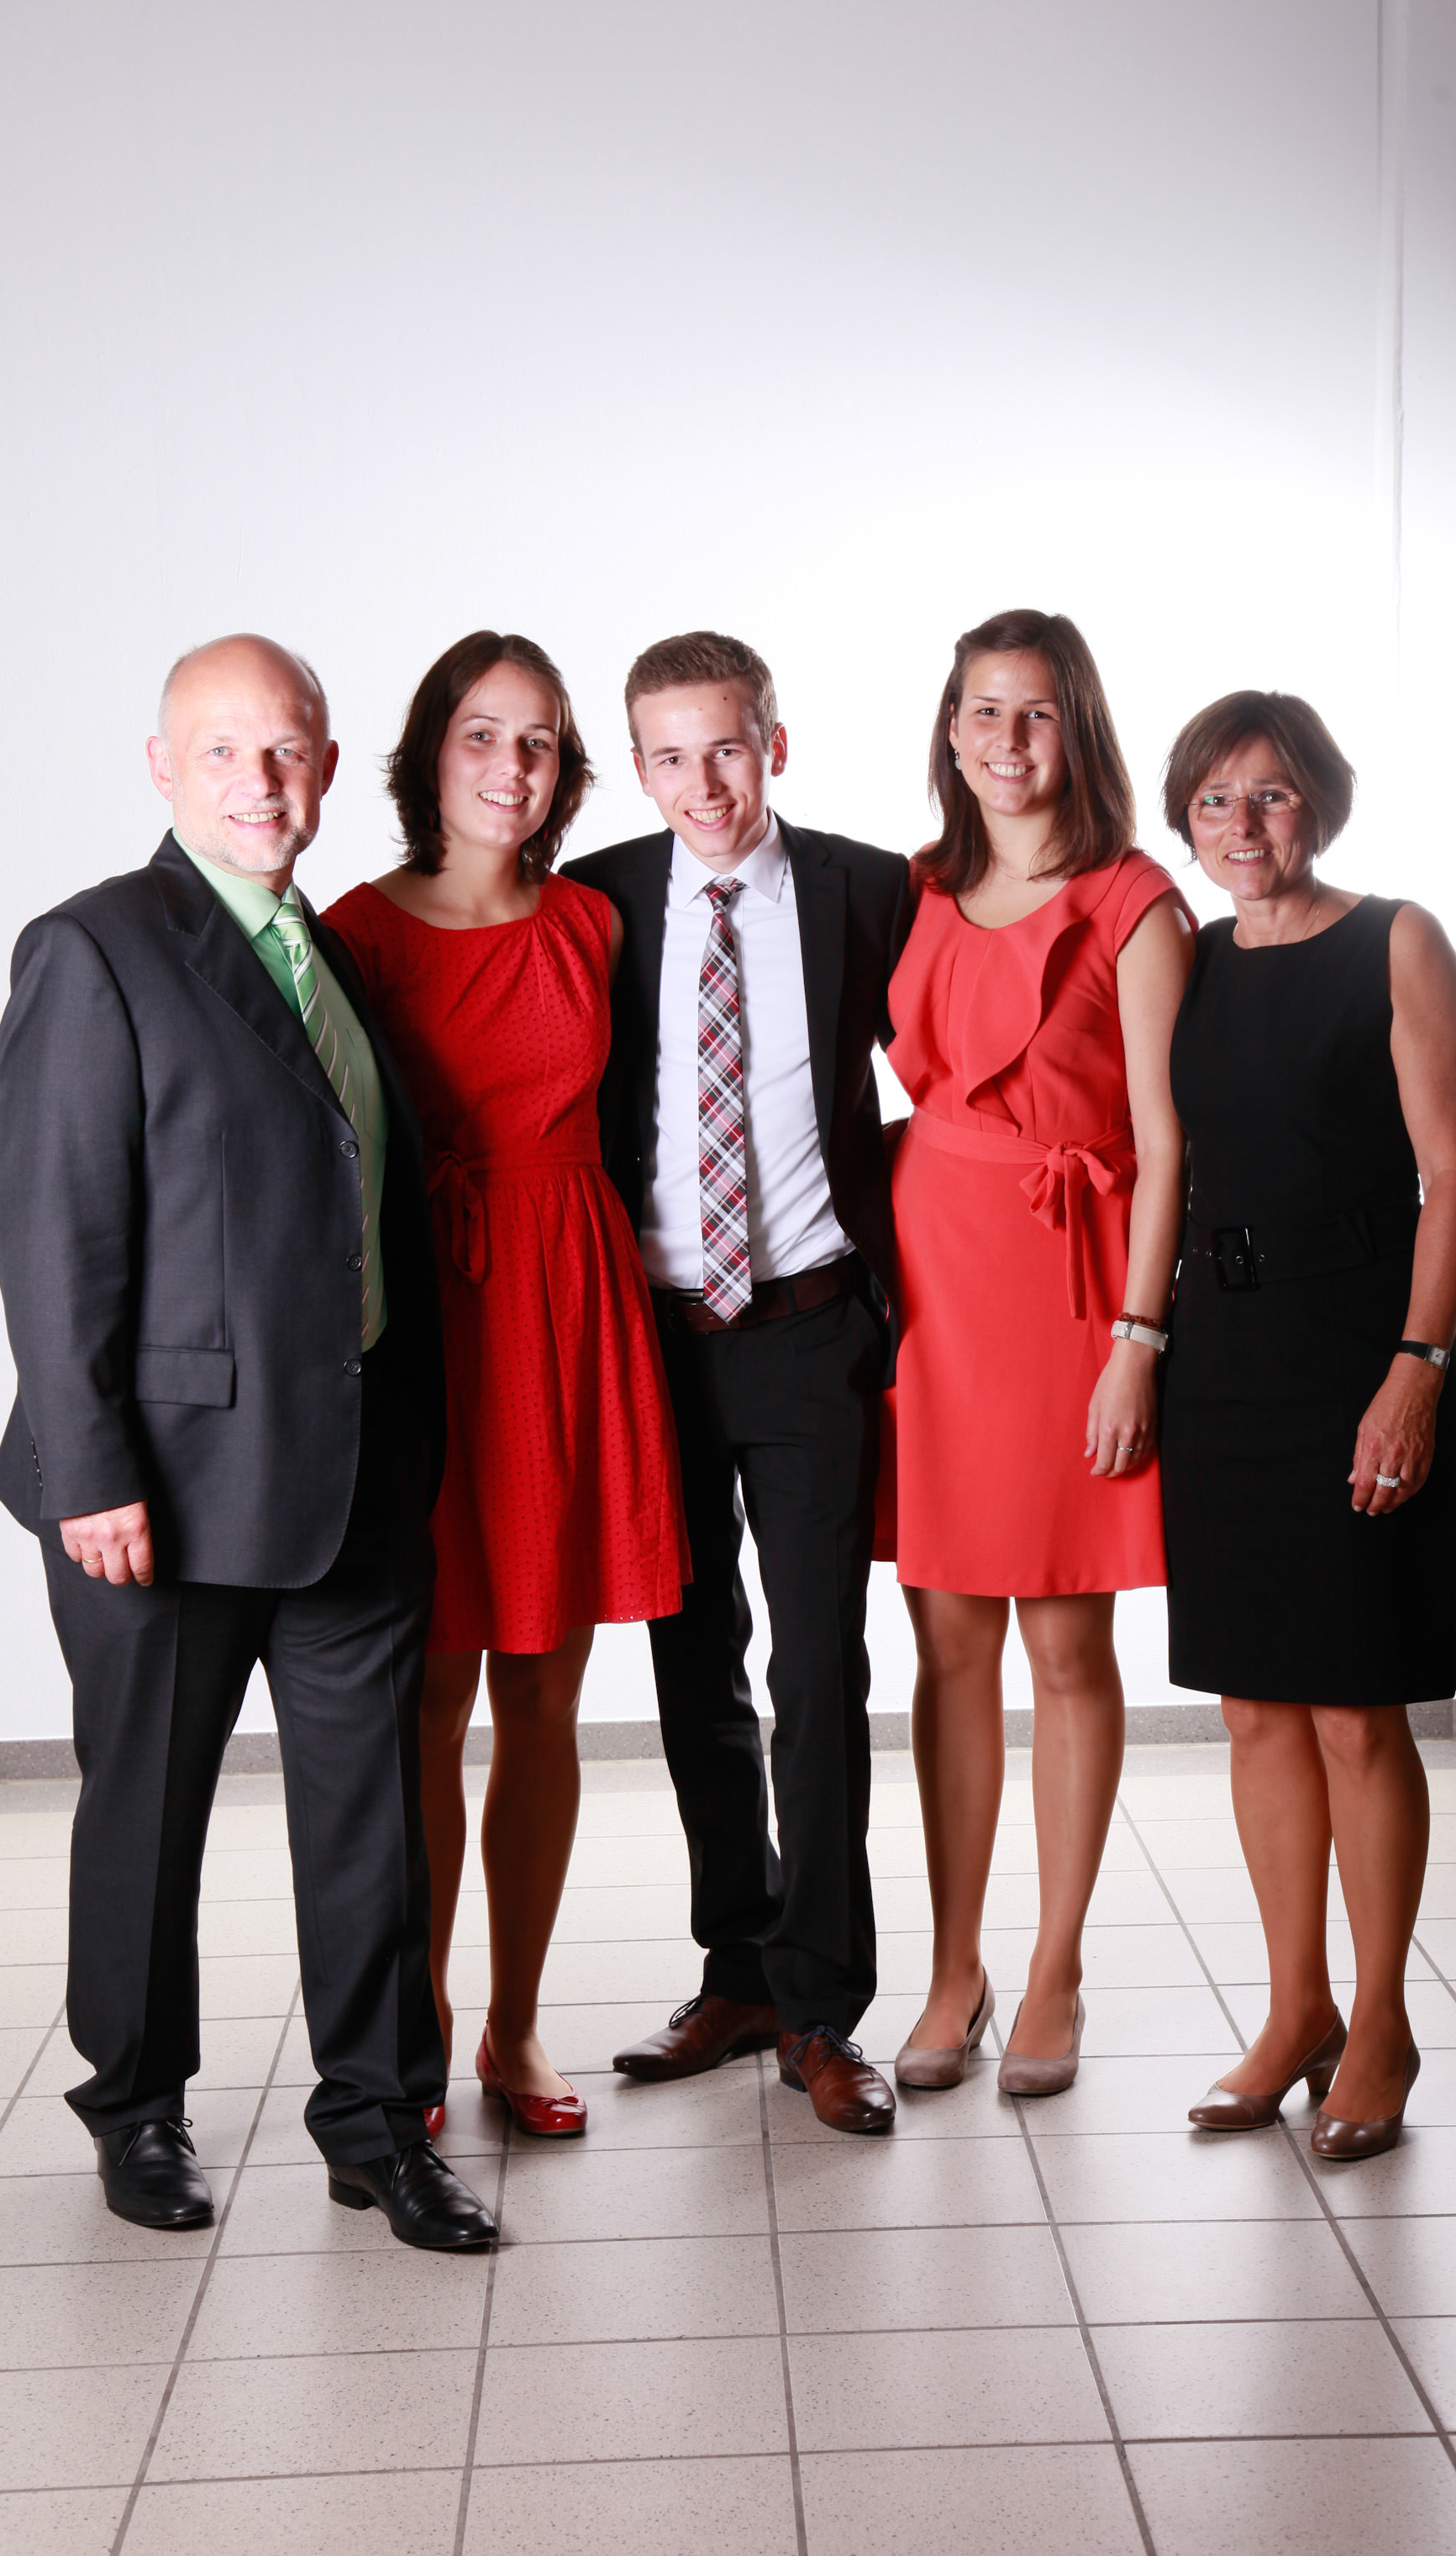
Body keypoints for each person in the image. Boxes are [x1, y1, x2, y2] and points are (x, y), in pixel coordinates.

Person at [0, 634, 495, 2250]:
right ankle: (136, 2110)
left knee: (374, 1820)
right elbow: (55, 1230)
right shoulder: (96, 947)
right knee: (147, 1814)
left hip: (350, 1472)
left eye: (286, 751)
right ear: (162, 767)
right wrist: (90, 1473)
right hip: (159, 1488)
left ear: (328, 767)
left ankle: (380, 2126)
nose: (259, 782)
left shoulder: (325, 952)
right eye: (222, 751)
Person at [323, 631, 688, 2139]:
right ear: (432, 752)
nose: (510, 766)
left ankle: (518, 2028)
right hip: (430, 1321)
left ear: (564, 771)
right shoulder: (355, 931)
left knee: (544, 1695)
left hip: (568, 1309)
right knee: (425, 1700)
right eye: (483, 734)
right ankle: (414, 2028)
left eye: (537, 742)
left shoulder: (594, 922)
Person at [563, 632, 913, 2134]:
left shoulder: (869, 890)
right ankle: (741, 1969)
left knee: (818, 1669)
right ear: (637, 767)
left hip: (809, 1328)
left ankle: (825, 2006)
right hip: (652, 1339)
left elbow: (962, 1069)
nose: (702, 784)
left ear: (775, 743)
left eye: (726, 748)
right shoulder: (596, 900)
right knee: (691, 1664)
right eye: (668, 756)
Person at [1158, 689, 1456, 2161]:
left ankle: (1385, 2022)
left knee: (1356, 1705)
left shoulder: (1397, 941)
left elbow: (1454, 1173)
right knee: (1253, 1706)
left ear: (1322, 804)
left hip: (1361, 1348)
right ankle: (1297, 2011)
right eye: (1215, 800)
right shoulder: (1187, 960)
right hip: (1221, 1353)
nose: (1245, 825)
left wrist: (1418, 1366)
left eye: (1273, 794)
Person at [880, 609, 1194, 2099]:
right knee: (947, 1643)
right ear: (950, 730)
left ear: (1080, 730)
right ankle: (955, 1968)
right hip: (934, 1292)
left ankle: (1057, 1963)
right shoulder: (919, 889)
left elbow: (1168, 1140)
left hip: (1073, 1290)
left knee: (1067, 1643)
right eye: (984, 711)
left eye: (1038, 713)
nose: (1008, 742)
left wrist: (1138, 1339)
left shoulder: (1135, 902)